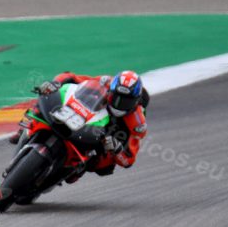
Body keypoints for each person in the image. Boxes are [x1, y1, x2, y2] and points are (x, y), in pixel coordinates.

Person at [16, 70, 149, 179]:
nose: (118, 104)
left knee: (104, 167)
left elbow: (129, 159)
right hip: (84, 116)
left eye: (125, 102)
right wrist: (55, 83)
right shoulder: (104, 82)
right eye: (116, 97)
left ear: (136, 102)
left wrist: (118, 149)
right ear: (111, 91)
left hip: (105, 135)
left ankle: (76, 167)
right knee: (46, 98)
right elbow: (72, 77)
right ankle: (24, 131)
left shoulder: (137, 122)